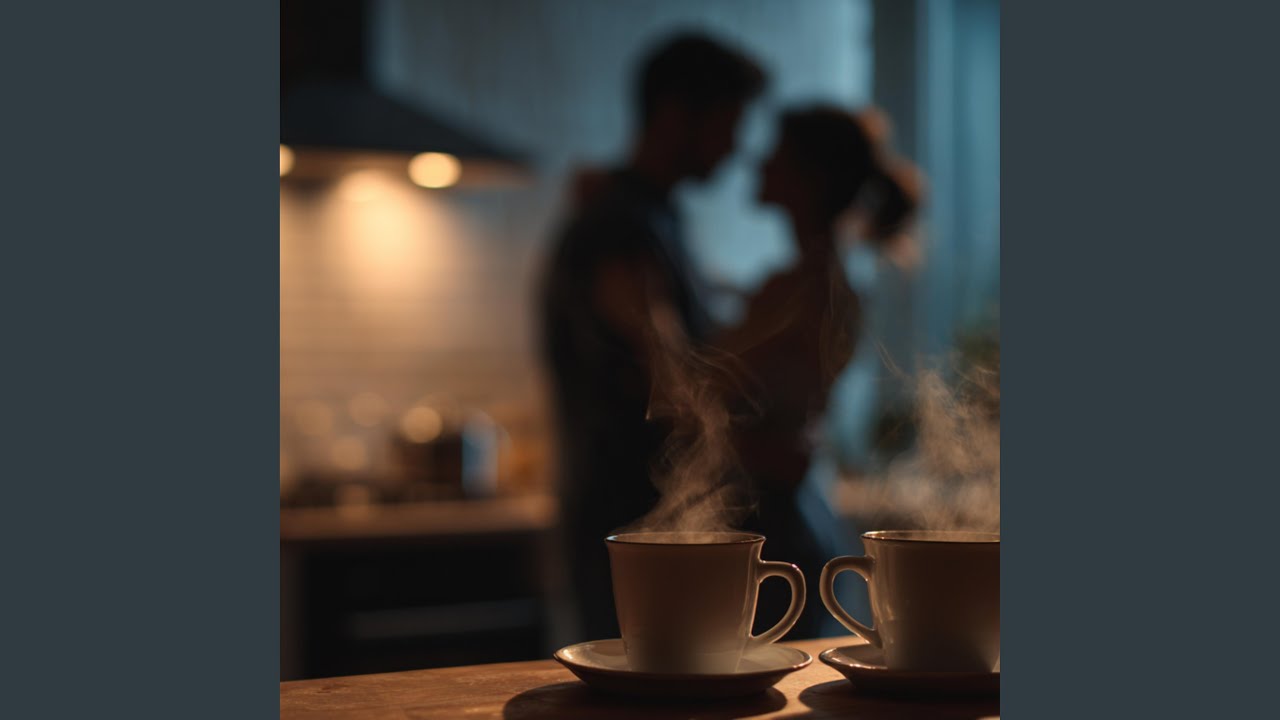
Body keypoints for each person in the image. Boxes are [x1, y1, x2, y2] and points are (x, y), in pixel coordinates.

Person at [539, 33, 767, 642]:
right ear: (675, 113)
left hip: (652, 522)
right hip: (635, 526)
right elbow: (670, 381)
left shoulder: (648, 217)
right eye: (728, 122)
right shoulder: (619, 227)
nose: (736, 145)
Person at [716, 105, 921, 637]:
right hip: (787, 517)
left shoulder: (810, 290)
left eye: (776, 154)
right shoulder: (812, 283)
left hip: (777, 527)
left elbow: (706, 376)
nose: (758, 163)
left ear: (810, 179)